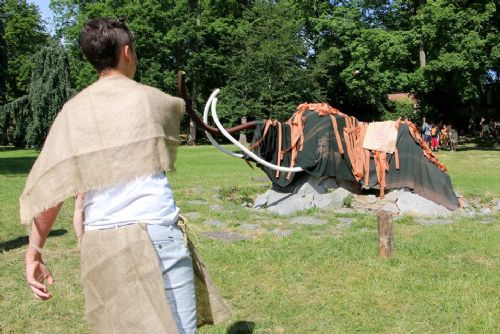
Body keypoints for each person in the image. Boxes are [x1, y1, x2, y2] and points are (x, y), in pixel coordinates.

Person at [22, 18, 229, 333]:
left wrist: (34, 251)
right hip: (157, 233)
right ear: (127, 52)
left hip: (100, 243)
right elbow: (175, 110)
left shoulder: (73, 112)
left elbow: (53, 191)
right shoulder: (152, 101)